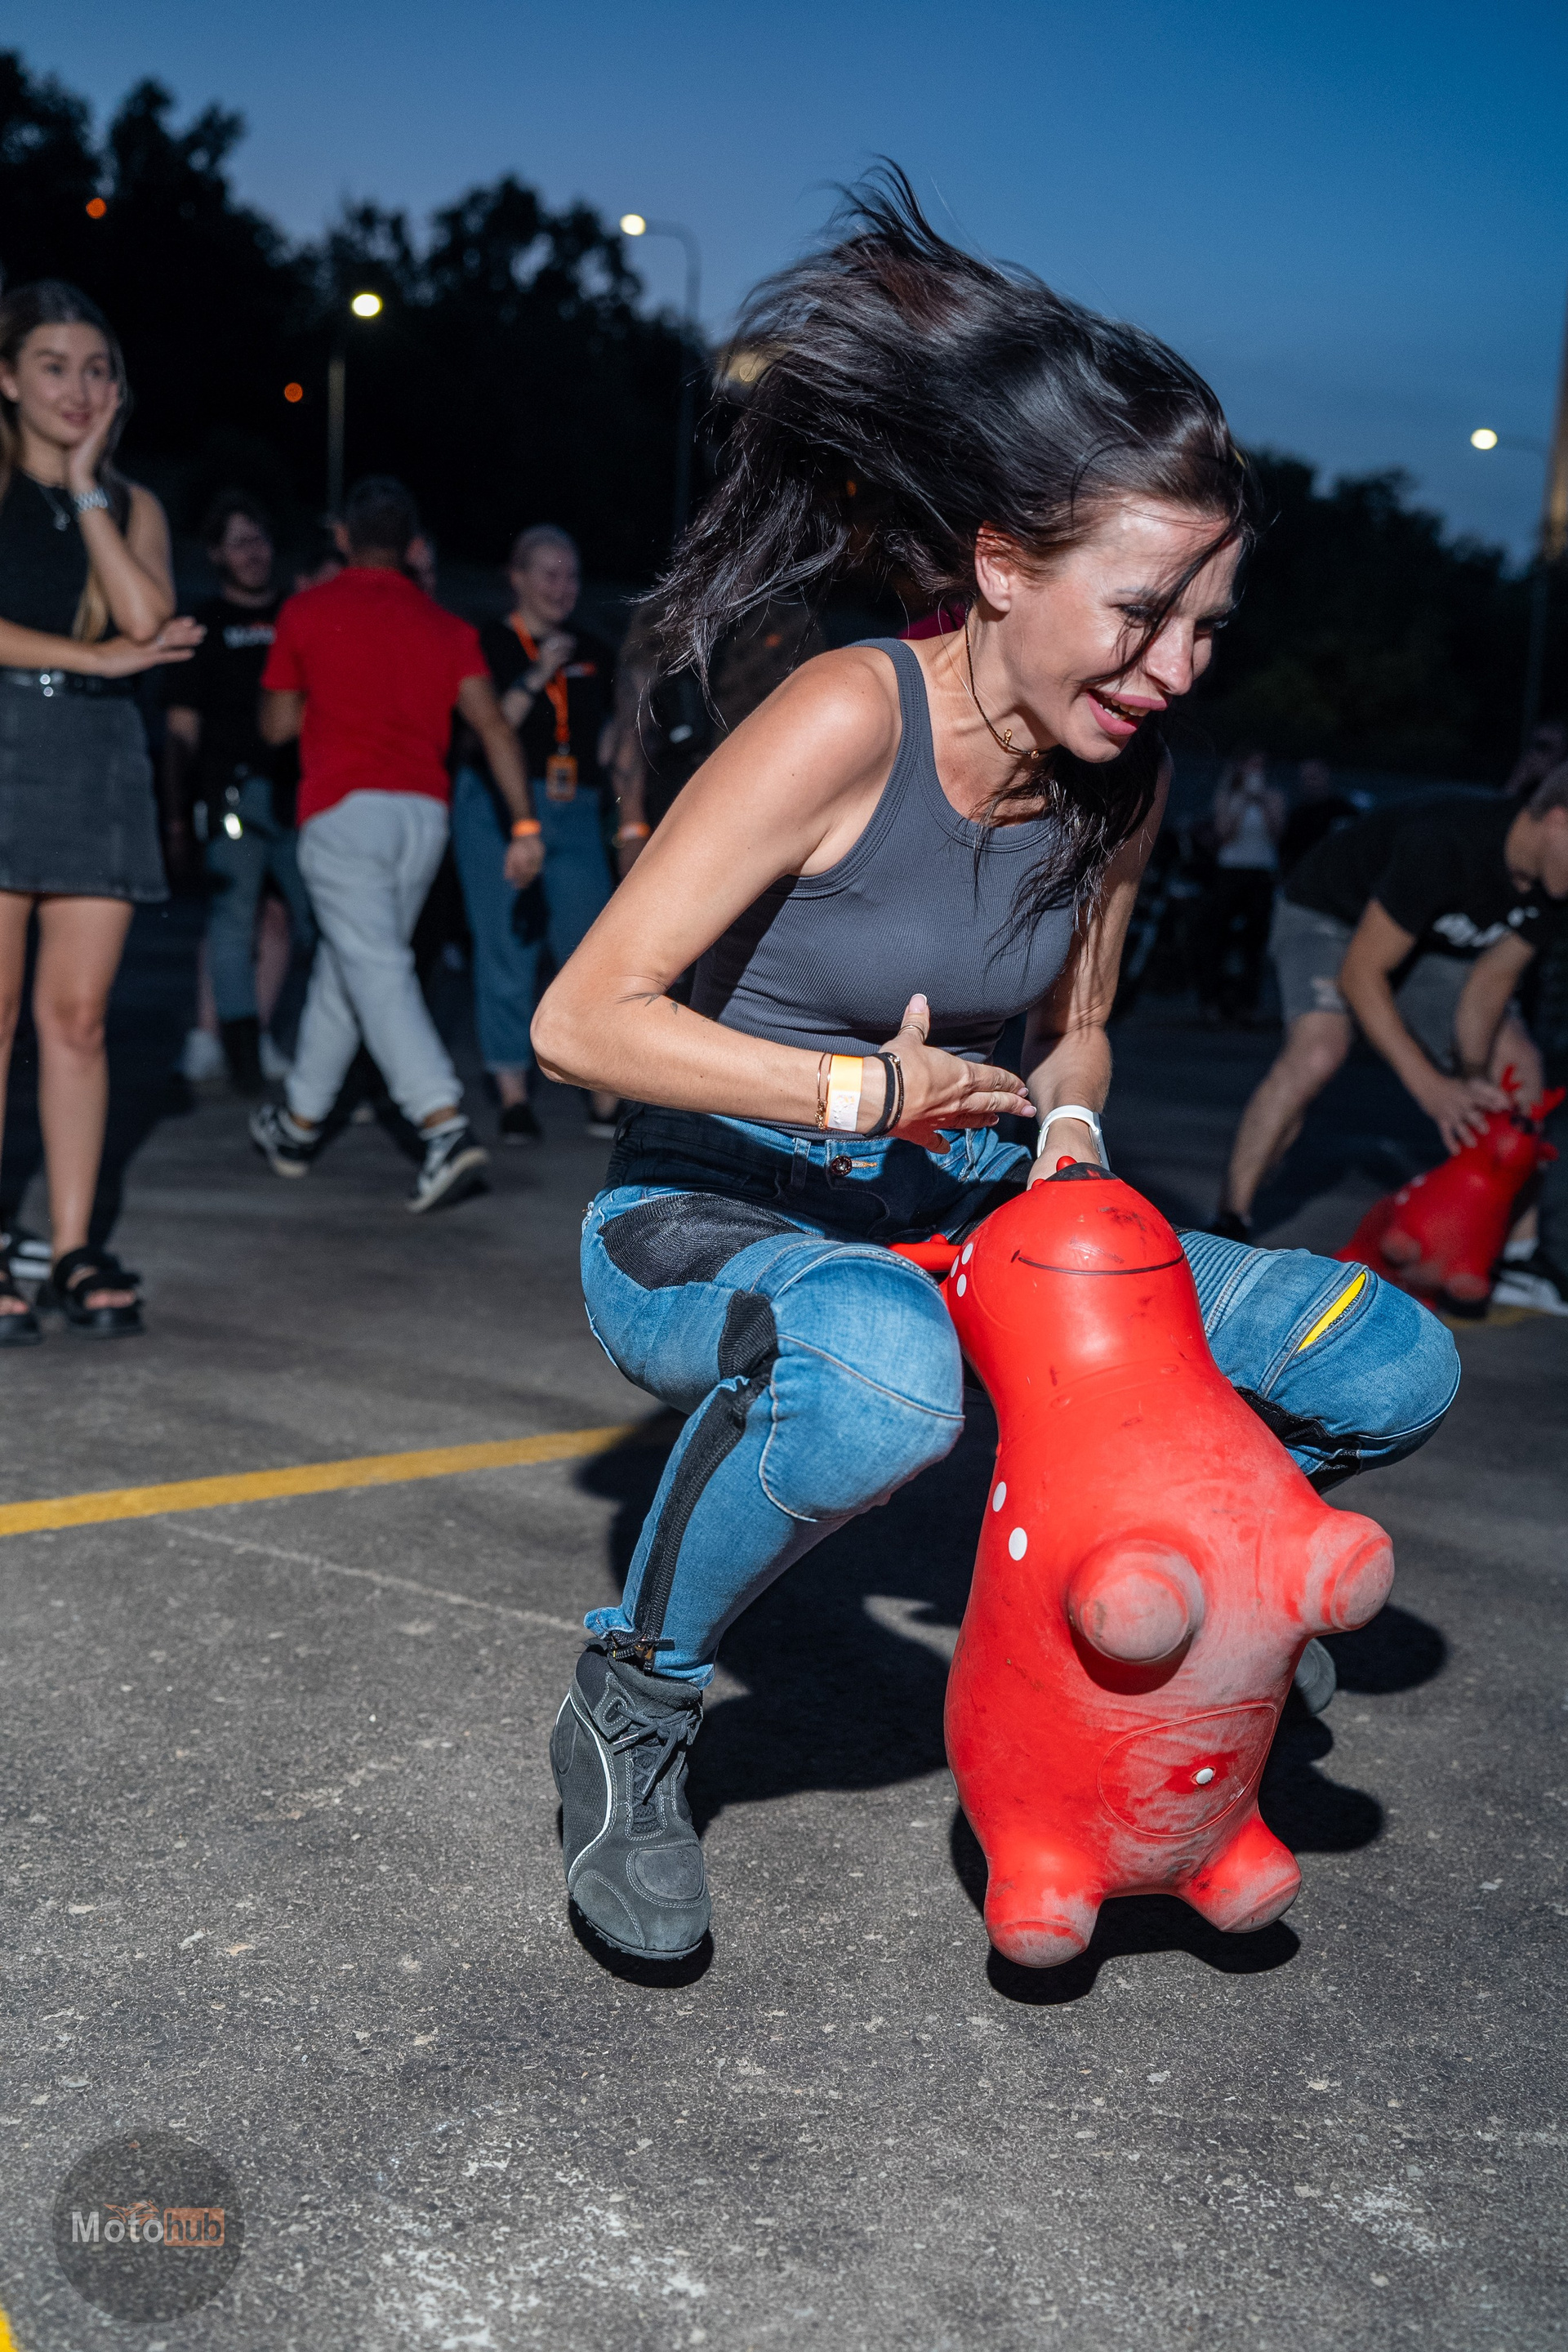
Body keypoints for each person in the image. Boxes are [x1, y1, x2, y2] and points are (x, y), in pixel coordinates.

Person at [528, 177, 1459, 1963]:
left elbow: (1076, 1021)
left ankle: (1182, 1579)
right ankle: (633, 1703)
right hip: (714, 1208)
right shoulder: (846, 715)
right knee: (879, 1380)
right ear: (1005, 566)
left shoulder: (1125, 769)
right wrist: (860, 1096)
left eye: (1209, 628)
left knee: (1388, 1363)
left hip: (975, 1204)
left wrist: (1075, 1132)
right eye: (1141, 613)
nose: (1176, 669)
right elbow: (584, 1019)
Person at [249, 476, 543, 1212]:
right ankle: (298, 1123)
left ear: (342, 537)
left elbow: (276, 727)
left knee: (373, 966)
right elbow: (494, 727)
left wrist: (326, 697)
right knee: (349, 970)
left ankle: (442, 1123)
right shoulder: (447, 627)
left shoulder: (307, 611)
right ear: (412, 546)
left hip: (343, 811)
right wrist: (525, 823)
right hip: (422, 821)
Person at [0, 280, 203, 1343]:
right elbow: (119, 647)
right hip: (4, 738)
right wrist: (97, 659)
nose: (76, 388)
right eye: (51, 366)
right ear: (6, 378)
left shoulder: (131, 505)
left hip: (98, 760)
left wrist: (85, 486)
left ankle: (74, 1247)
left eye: (94, 370)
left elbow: (147, 618)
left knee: (77, 1021)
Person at [1213, 781, 1568, 1239]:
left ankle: (1516, 1248)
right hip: (1329, 914)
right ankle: (1230, 1220)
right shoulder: (1448, 841)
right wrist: (1432, 1088)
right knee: (1319, 1051)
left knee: (1518, 1062)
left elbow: (1490, 982)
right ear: (1558, 816)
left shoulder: (1554, 884)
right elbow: (1361, 973)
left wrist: (1473, 1075)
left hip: (1424, 942)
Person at [448, 525, 618, 1143]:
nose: (562, 586)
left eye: (571, 574)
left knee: (590, 950)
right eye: (548, 573)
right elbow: (485, 732)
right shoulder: (487, 644)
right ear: (516, 578)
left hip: (577, 807)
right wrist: (538, 671)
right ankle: (512, 1091)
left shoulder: (594, 647)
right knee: (507, 950)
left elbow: (609, 736)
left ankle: (604, 1093)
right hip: (501, 805)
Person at [163, 491, 315, 1095]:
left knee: (286, 920)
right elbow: (181, 729)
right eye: (239, 542)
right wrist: (177, 816)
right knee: (232, 915)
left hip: (299, 796)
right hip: (233, 795)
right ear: (216, 554)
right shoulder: (203, 625)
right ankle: (236, 1047)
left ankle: (258, 1034)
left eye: (260, 539)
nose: (254, 553)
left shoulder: (297, 614)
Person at [1196, 749, 1285, 1022]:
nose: (1255, 771)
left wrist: (1262, 801)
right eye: (1250, 766)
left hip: (1261, 872)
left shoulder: (1274, 796)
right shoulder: (1227, 795)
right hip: (1230, 871)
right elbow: (1224, 834)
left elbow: (1277, 834)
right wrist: (1243, 801)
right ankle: (1212, 1001)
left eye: (1260, 766)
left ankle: (1248, 1005)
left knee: (1254, 940)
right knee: (1217, 936)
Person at [1277, 757, 1357, 877]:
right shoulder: (1297, 815)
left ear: (1326, 775)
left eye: (1313, 777)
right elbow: (1287, 851)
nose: (1309, 783)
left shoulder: (1344, 811)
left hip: (1335, 875)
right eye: (1304, 779)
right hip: (1303, 876)